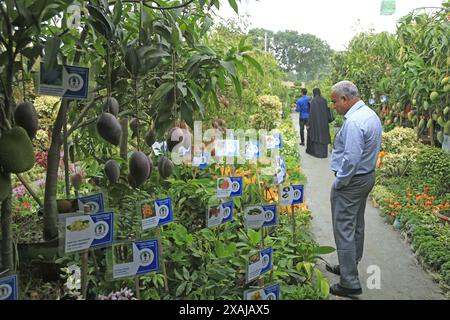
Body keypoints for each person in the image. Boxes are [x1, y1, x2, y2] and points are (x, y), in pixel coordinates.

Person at [327, 80, 382, 297]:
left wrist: (340, 182)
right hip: (366, 177)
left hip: (352, 181)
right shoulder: (369, 114)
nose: (333, 106)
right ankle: (349, 265)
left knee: (344, 228)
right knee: (356, 224)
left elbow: (350, 158)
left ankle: (349, 282)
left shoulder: (354, 122)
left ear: (344, 99)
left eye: (334, 101)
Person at [306, 88, 332, 158]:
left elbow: (311, 114)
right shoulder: (324, 100)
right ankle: (324, 153)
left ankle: (317, 153)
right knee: (323, 136)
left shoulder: (313, 101)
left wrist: (308, 123)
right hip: (324, 123)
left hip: (315, 123)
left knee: (316, 136)